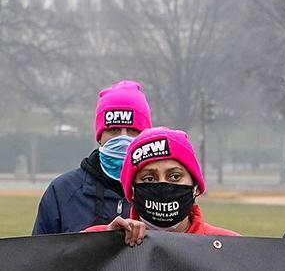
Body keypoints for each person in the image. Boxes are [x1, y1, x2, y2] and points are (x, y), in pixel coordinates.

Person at [32, 81, 151, 234]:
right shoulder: (62, 191)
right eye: (114, 130)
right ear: (99, 137)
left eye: (133, 131)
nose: (123, 139)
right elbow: (41, 253)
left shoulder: (161, 192)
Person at [93, 126, 238, 245]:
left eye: (175, 176)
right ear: (131, 191)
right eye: (149, 178)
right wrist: (107, 243)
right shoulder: (100, 236)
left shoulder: (230, 246)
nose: (163, 185)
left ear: (196, 186)